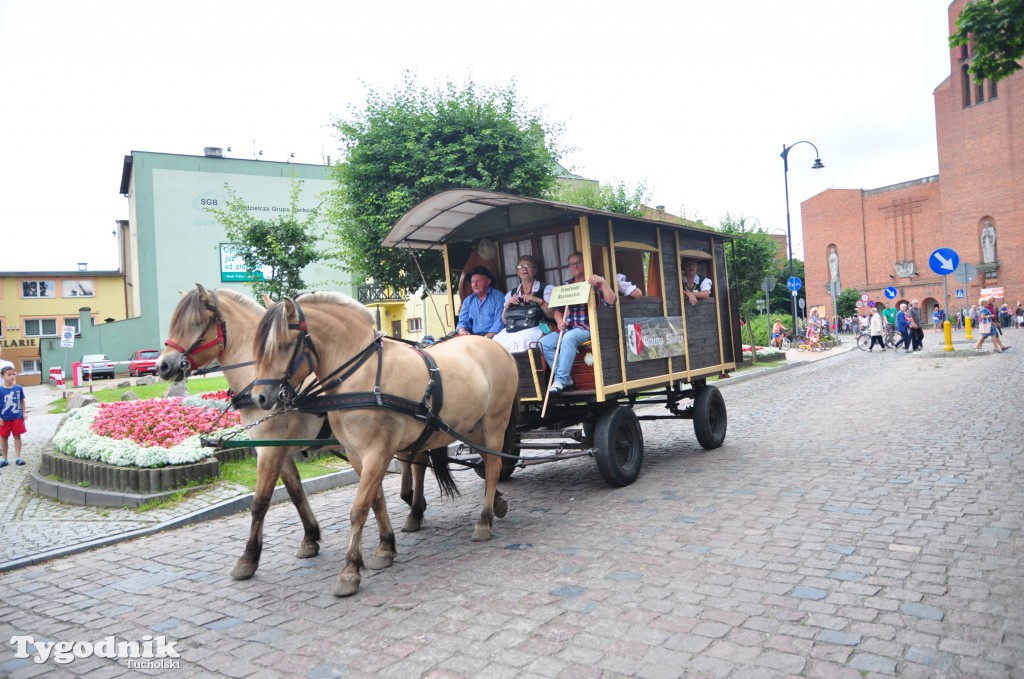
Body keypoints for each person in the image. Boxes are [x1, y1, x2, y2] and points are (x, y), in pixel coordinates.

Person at [540, 253, 617, 393]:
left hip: (587, 328)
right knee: (544, 343)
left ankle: (559, 380)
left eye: (578, 262)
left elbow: (611, 301)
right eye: (571, 264)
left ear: (585, 263)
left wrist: (603, 282)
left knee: (569, 338)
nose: (574, 266)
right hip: (567, 328)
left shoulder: (595, 282)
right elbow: (557, 309)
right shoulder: (566, 285)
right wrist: (559, 321)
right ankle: (566, 378)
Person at [492, 255, 554, 353]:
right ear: (518, 273)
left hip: (539, 327)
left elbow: (552, 315)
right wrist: (507, 306)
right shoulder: (511, 294)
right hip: (516, 329)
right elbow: (504, 321)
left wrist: (537, 300)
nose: (524, 268)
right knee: (497, 340)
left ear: (535, 270)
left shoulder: (546, 289)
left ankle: (528, 367)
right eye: (521, 267)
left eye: (528, 265)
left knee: (523, 338)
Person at [456, 266, 505, 338]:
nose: (475, 285)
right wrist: (462, 331)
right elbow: (463, 321)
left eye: (478, 281)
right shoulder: (468, 301)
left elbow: (500, 321)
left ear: (488, 282)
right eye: (472, 282)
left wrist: (488, 336)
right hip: (474, 337)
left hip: (495, 336)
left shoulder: (498, 297)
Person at [1, 366, 27, 467]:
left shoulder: (18, 388)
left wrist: (24, 413)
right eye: (9, 374)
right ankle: (4, 459)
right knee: (3, 438)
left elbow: (22, 401)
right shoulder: (0, 390)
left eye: (13, 374)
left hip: (17, 417)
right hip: (3, 419)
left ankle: (18, 458)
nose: (12, 376)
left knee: (17, 436)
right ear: (2, 376)